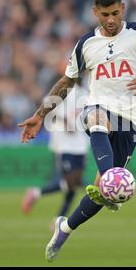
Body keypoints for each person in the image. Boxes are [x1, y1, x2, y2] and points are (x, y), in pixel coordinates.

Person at [18, 0, 136, 262]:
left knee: (100, 196)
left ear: (124, 9)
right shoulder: (85, 44)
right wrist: (40, 114)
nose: (111, 20)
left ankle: (65, 227)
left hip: (132, 119)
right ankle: (110, 178)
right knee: (96, 119)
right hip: (99, 108)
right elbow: (66, 82)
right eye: (105, 14)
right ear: (95, 12)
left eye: (116, 13)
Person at [21, 81, 89, 229]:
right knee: (71, 182)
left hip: (81, 144)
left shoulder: (84, 93)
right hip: (63, 144)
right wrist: (65, 121)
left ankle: (57, 219)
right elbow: (48, 109)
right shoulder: (62, 90)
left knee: (74, 185)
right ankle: (38, 195)